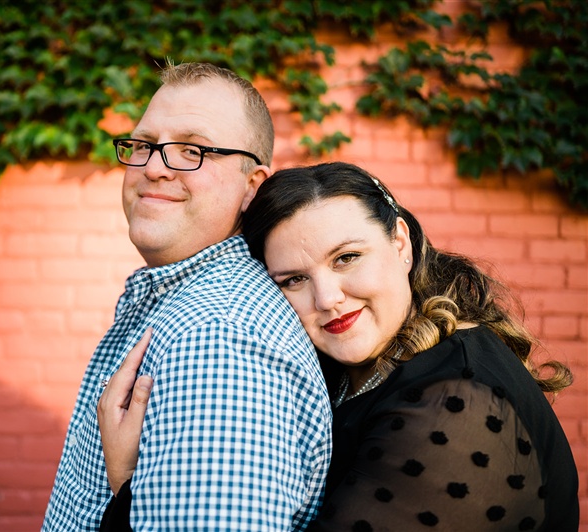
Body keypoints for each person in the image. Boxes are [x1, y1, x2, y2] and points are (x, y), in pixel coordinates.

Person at [99, 162, 579, 531]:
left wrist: (127, 485)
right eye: (293, 280)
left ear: (400, 244)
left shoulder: (456, 403)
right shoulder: (368, 369)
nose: (327, 298)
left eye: (347, 258)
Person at [41, 62, 333, 531]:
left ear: (251, 187)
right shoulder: (188, 308)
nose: (154, 168)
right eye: (144, 145)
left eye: (192, 150)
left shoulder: (218, 338)